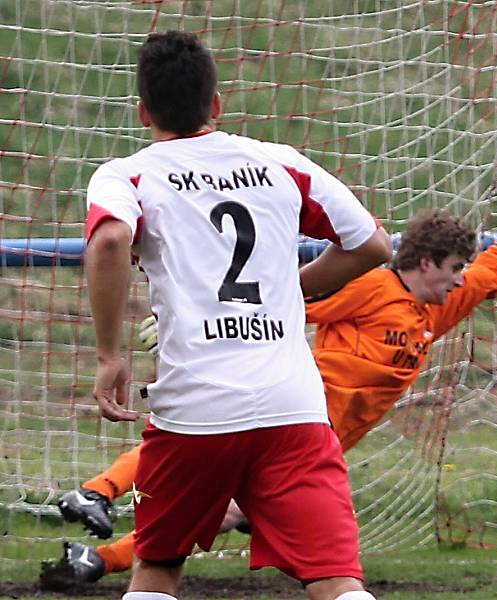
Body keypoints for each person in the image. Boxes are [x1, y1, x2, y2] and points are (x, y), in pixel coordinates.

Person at [43, 163, 497, 588]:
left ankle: (96, 558)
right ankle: (99, 493)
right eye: (454, 267)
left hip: (311, 450)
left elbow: (494, 270)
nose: (459, 280)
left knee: (218, 514)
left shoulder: (435, 312)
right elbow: (284, 296)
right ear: (428, 261)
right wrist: (192, 316)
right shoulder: (372, 288)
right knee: (201, 470)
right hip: (287, 418)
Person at [81, 30, 393, 600]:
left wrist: (109, 356)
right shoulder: (280, 163)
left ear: (143, 111)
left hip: (195, 412)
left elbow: (107, 245)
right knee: (337, 581)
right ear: (216, 104)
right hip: (292, 409)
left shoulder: (128, 174)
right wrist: (289, 291)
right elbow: (373, 245)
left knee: (157, 569)